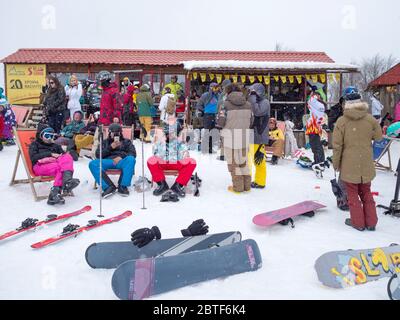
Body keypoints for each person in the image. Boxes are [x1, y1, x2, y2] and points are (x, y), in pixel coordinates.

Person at [332, 89, 383, 231]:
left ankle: (358, 223)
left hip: (349, 164)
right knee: (366, 191)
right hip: (366, 161)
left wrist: (335, 164)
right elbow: (379, 138)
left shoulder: (341, 121)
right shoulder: (371, 119)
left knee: (352, 193)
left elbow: (337, 147)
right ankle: (371, 222)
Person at [29, 123, 80, 205]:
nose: (49, 138)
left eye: (52, 136)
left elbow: (64, 157)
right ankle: (63, 187)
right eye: (47, 136)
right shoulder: (35, 145)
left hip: (55, 165)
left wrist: (72, 153)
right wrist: (50, 154)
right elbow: (33, 158)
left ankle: (62, 186)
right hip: (39, 166)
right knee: (60, 167)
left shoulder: (55, 145)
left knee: (66, 157)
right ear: (40, 136)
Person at [148, 119, 197, 198]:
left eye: (172, 134)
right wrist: (163, 146)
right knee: (151, 160)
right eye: (167, 134)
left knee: (192, 162)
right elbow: (155, 154)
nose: (169, 135)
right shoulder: (159, 142)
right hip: (163, 163)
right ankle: (162, 184)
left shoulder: (180, 143)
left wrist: (183, 153)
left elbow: (184, 155)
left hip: (176, 163)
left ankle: (178, 185)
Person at [89, 123, 136, 198]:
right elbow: (98, 155)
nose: (116, 135)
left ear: (121, 133)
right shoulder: (104, 142)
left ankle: (123, 186)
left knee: (131, 159)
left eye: (118, 133)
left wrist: (121, 156)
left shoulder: (126, 142)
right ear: (109, 133)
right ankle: (108, 187)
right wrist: (110, 147)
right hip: (108, 161)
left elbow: (133, 153)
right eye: (113, 133)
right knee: (93, 164)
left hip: (121, 161)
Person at [220, 83, 252, 193]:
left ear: (228, 92)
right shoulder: (248, 104)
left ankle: (238, 187)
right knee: (243, 162)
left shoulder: (225, 105)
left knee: (233, 164)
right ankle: (247, 186)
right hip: (244, 137)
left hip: (230, 137)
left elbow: (220, 121)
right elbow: (251, 121)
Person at [247, 83, 270, 189]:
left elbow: (257, 112)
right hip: (252, 134)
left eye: (253, 91)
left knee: (258, 160)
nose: (251, 94)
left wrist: (252, 98)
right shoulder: (254, 102)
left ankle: (260, 181)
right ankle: (252, 180)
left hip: (259, 135)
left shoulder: (264, 102)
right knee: (250, 159)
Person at [306, 88, 326, 175]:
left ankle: (318, 162)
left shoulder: (317, 103)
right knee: (317, 145)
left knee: (315, 145)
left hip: (313, 126)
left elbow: (310, 101)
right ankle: (320, 161)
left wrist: (313, 93)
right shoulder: (320, 105)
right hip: (316, 126)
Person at [196, 83, 221, 154]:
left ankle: (210, 148)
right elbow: (199, 104)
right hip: (207, 115)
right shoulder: (206, 95)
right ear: (211, 88)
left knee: (212, 132)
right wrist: (203, 111)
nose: (216, 89)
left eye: (217, 88)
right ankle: (204, 149)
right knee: (207, 132)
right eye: (214, 88)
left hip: (215, 115)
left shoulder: (218, 96)